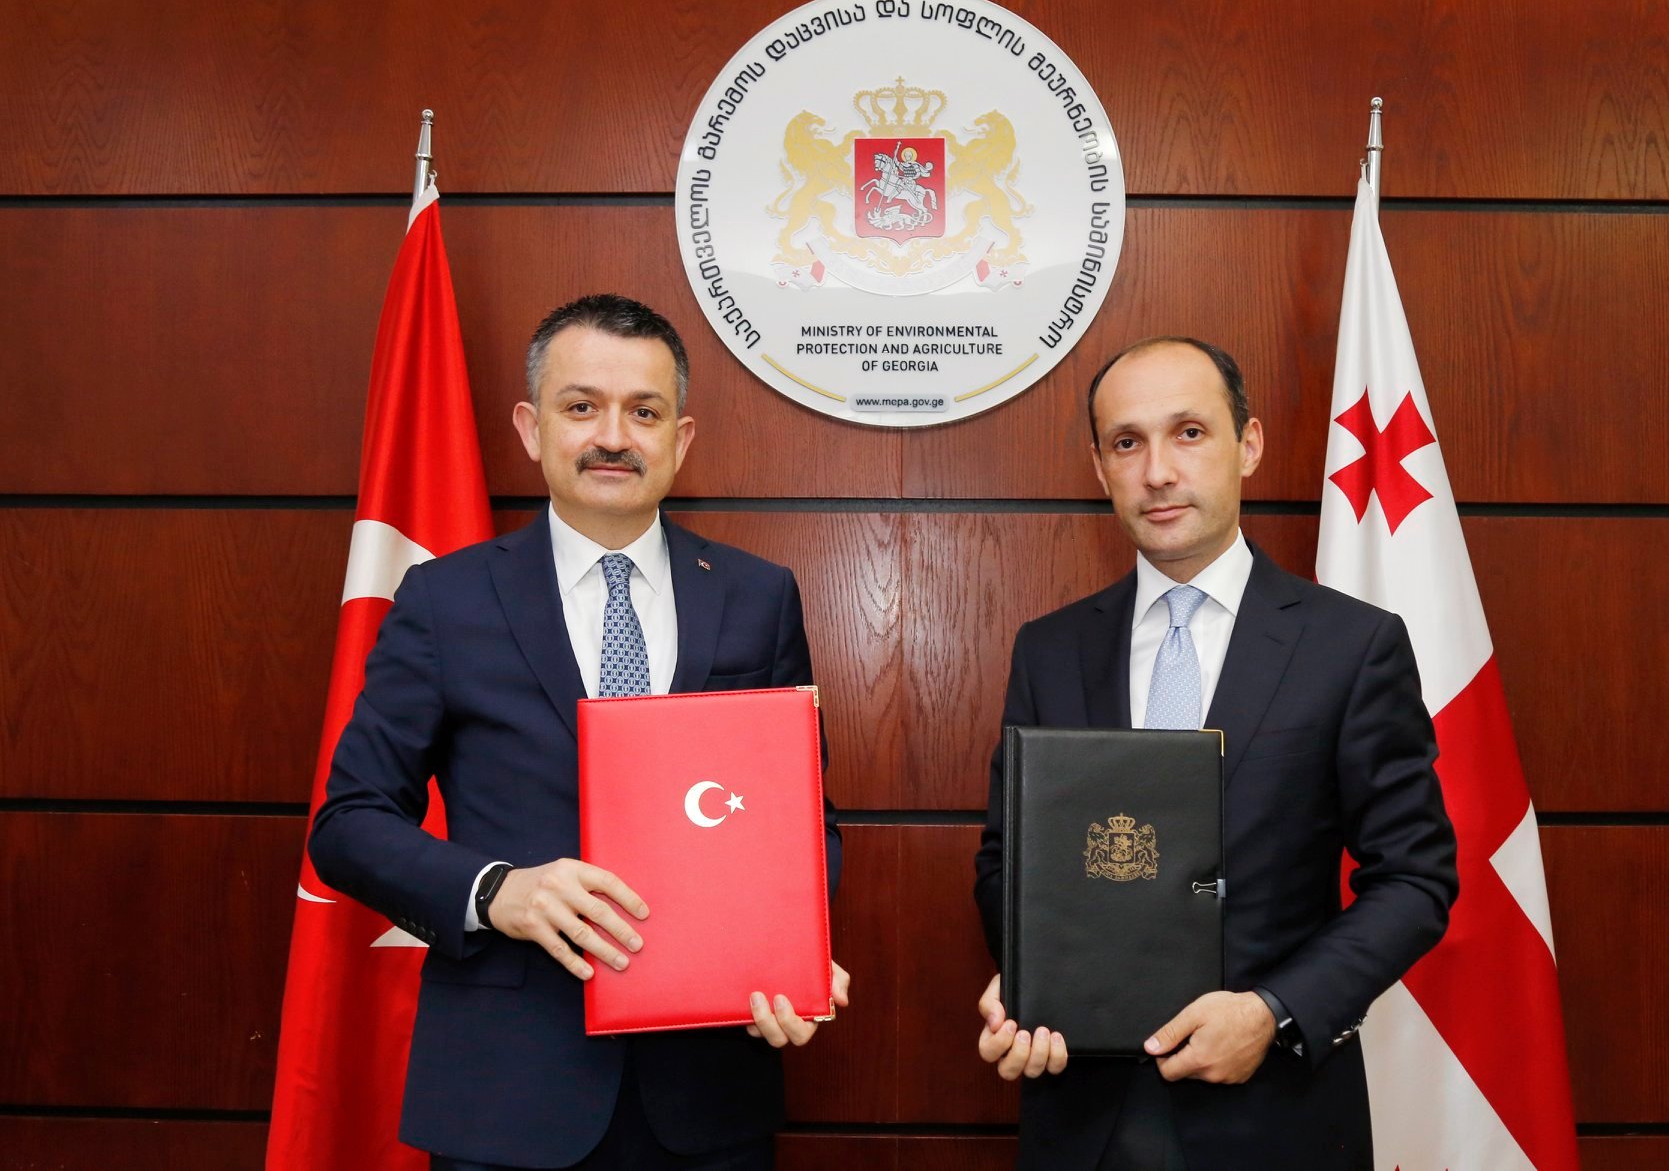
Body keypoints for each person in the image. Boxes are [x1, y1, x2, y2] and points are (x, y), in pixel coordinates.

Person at [311, 294, 848, 1171]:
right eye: (582, 406)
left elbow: (801, 825)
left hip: (708, 1088)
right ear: (532, 428)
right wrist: (496, 891)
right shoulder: (445, 601)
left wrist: (795, 949)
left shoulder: (758, 597)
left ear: (681, 439)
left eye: (644, 412)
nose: (613, 437)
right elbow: (348, 823)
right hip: (506, 1093)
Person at [971, 337, 1457, 1169]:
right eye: (1127, 442)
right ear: (1100, 467)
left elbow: (1415, 879)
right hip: (1081, 1118)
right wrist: (1029, 980)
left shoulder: (1351, 647)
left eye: (1189, 432)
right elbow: (1005, 863)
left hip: (1276, 1119)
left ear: (1249, 444)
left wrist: (1274, 1011)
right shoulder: (1049, 650)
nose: (1158, 471)